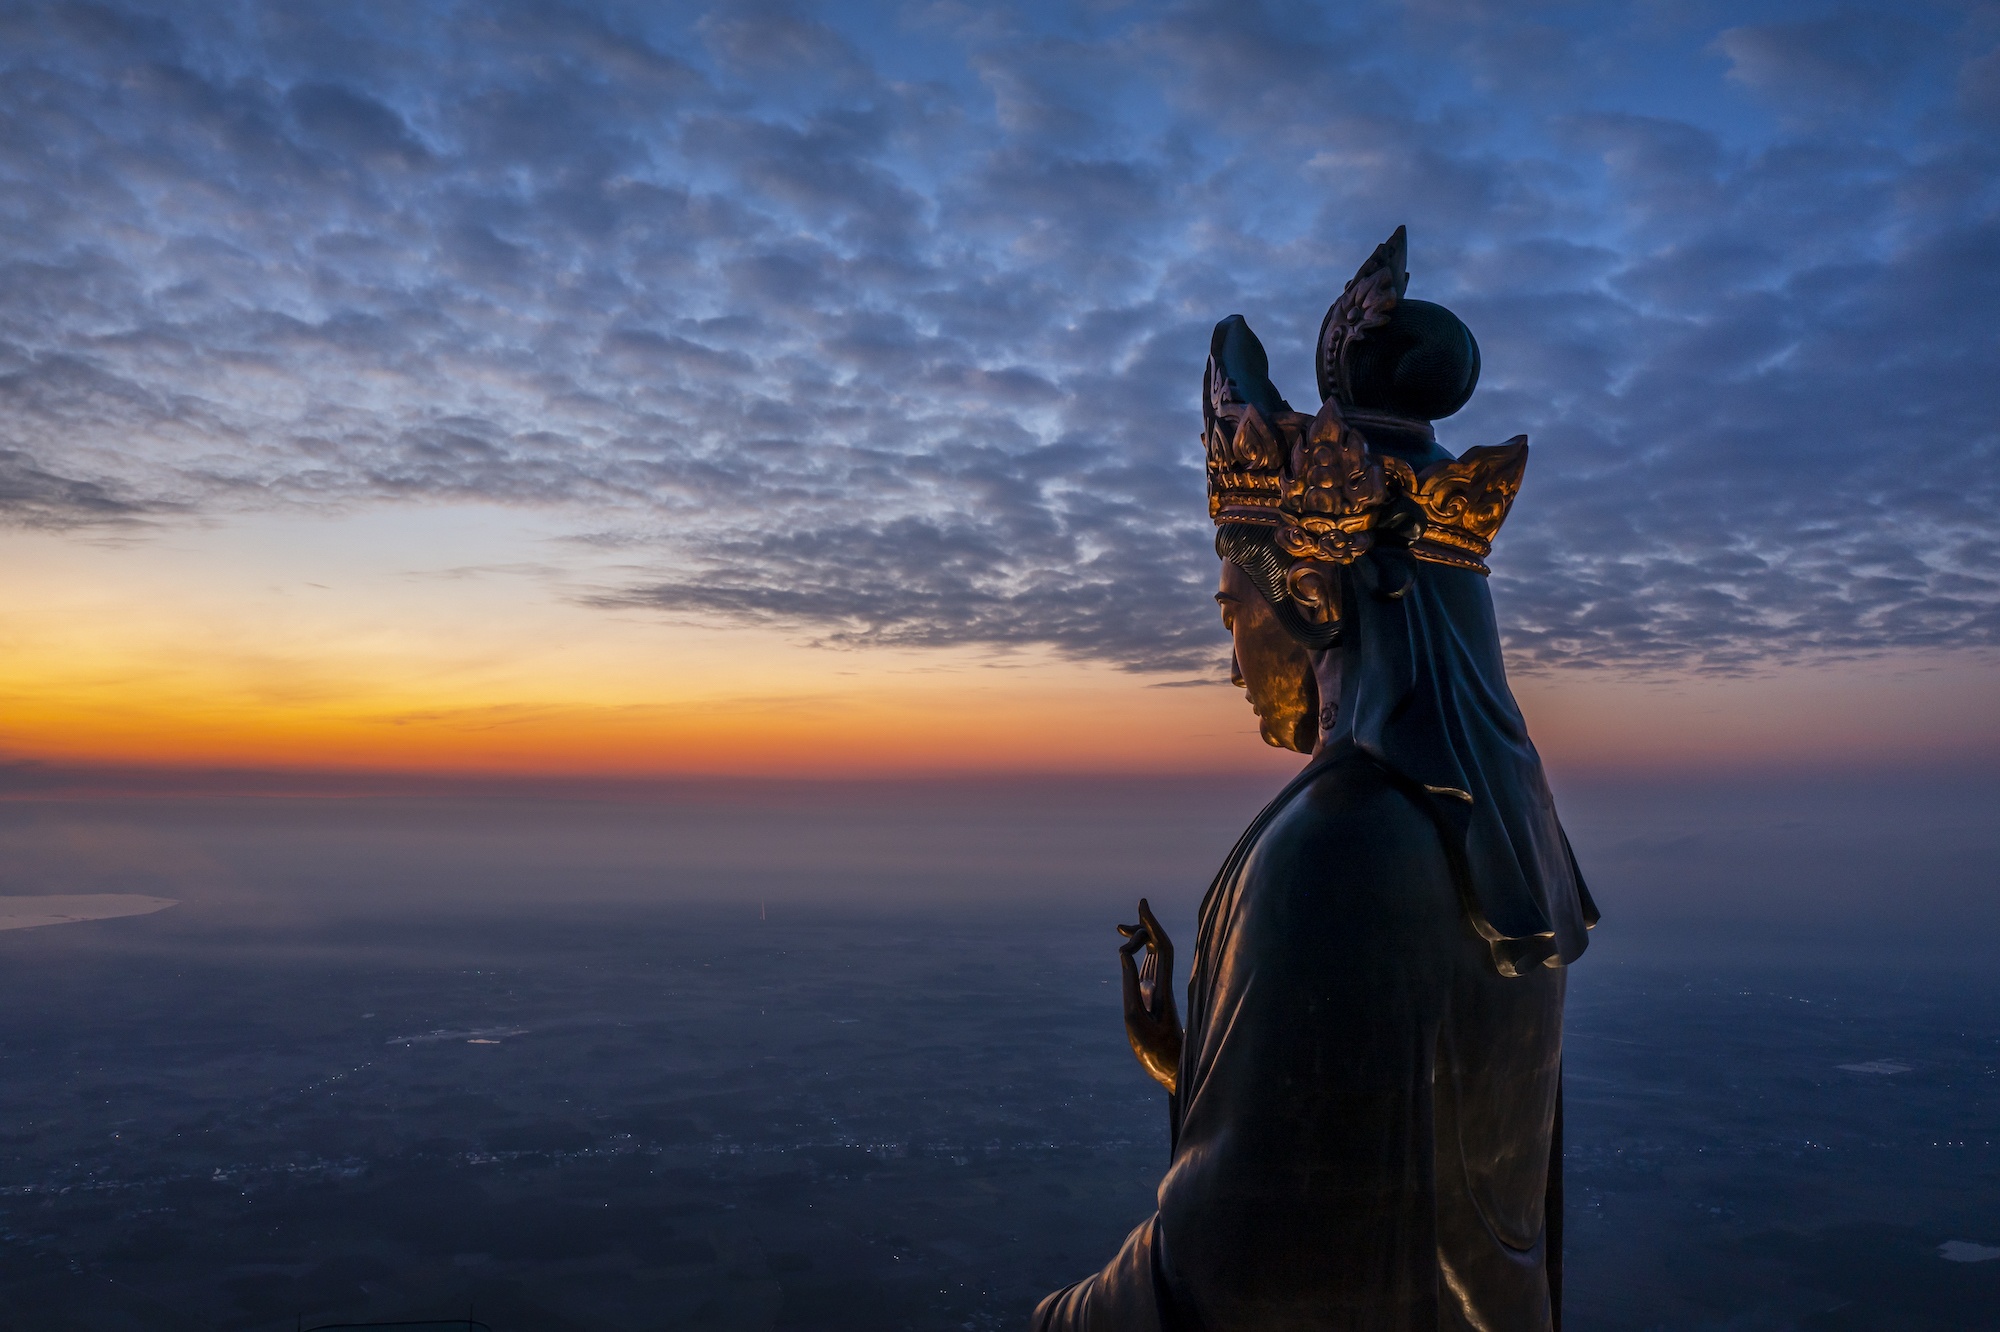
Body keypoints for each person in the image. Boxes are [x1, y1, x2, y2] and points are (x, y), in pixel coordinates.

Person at [1034, 228, 1598, 1332]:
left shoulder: (1336, 847)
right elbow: (1390, 1160)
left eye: (1230, 607)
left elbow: (1240, 1268)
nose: (1229, 649)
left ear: (1306, 596)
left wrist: (1056, 1319)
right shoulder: (1496, 836)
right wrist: (1195, 1066)